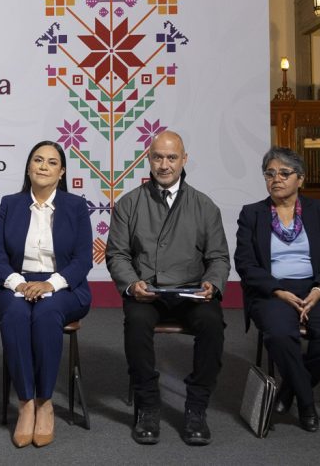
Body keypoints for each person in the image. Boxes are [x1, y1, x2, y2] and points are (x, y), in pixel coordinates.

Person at [106, 130, 231, 446]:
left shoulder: (204, 206)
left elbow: (218, 257)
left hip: (191, 291)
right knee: (135, 323)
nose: (164, 164)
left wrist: (212, 284)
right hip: (146, 291)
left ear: (184, 160)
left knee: (213, 323)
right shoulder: (129, 203)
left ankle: (196, 406)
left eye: (171, 157)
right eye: (158, 157)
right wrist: (132, 284)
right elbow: (117, 254)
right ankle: (147, 406)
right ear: (148, 159)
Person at [234, 146, 320, 432]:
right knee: (279, 334)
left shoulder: (319, 211)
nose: (276, 179)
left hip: (315, 288)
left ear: (300, 178)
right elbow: (245, 263)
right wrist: (276, 290)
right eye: (270, 173)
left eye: (285, 173)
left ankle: (289, 392)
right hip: (273, 290)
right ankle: (307, 403)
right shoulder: (252, 214)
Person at [0, 141, 93, 448]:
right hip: (16, 283)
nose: (44, 166)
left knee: (47, 313)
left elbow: (83, 260)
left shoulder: (75, 206)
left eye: (52, 162)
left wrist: (51, 284)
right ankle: (25, 403)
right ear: (28, 167)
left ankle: (45, 402)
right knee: (17, 315)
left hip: (64, 285)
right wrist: (18, 284)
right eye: (38, 160)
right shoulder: (10, 203)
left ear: (61, 172)